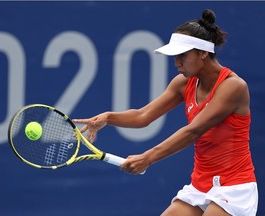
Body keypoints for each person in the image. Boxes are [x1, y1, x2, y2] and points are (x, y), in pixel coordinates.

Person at [73, 9, 258, 216]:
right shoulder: (183, 83)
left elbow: (193, 131)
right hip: (200, 185)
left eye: (183, 55)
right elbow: (143, 116)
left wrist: (148, 158)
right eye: (175, 56)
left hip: (234, 187)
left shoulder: (233, 87)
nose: (177, 62)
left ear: (203, 53)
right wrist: (108, 117)